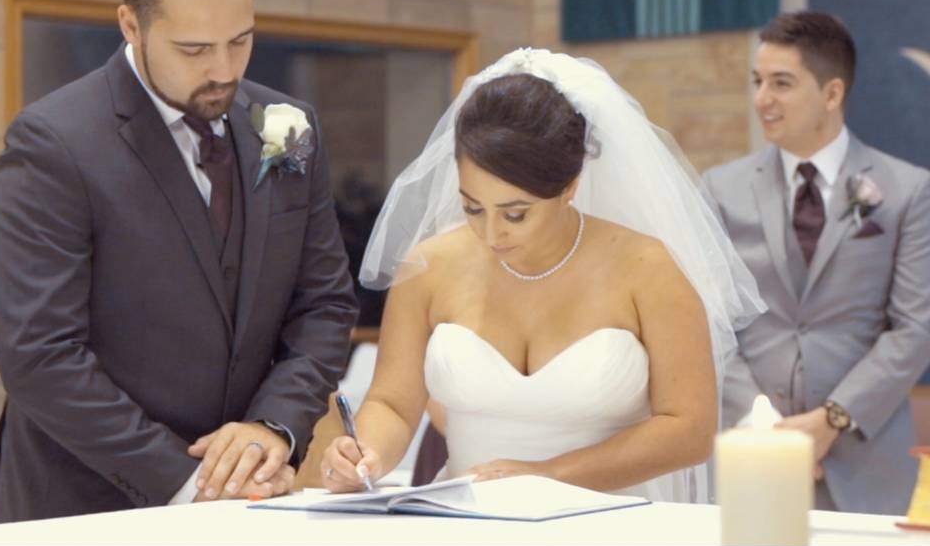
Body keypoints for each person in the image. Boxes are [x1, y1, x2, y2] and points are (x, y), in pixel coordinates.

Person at [0, 0, 358, 524]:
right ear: (132, 24)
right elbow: (40, 355)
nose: (225, 69)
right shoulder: (54, 142)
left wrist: (271, 427)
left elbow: (326, 305)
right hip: (81, 510)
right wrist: (191, 481)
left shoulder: (288, 125)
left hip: (249, 508)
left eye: (242, 39)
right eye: (194, 49)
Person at [320, 48, 765, 502]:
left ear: (569, 186)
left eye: (515, 214)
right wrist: (364, 451)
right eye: (473, 207)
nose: (491, 233)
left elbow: (688, 430)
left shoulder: (648, 269)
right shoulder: (429, 267)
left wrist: (548, 474)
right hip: (467, 518)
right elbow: (393, 404)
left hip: (612, 521)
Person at [703, 11, 930, 514]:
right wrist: (763, 429)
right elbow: (714, 321)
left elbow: (915, 327)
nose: (762, 100)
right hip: (750, 456)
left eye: (781, 84)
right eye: (758, 82)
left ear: (832, 94)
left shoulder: (907, 190)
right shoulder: (720, 190)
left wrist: (830, 420)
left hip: (862, 459)